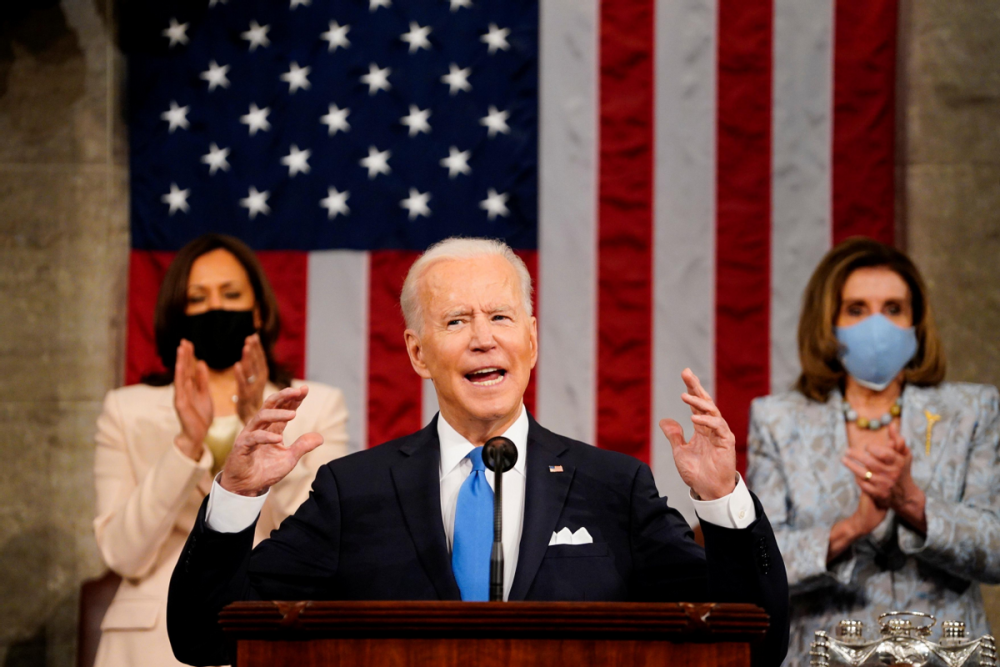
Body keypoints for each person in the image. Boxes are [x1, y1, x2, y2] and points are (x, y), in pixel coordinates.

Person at [167, 237, 790, 666]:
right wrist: (236, 497)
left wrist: (722, 500)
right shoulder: (353, 493)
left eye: (501, 317)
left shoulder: (614, 488)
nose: (484, 340)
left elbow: (753, 641)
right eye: (457, 321)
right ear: (418, 353)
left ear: (533, 339)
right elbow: (202, 636)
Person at [93, 234, 349, 667]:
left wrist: (263, 426)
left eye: (231, 294)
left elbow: (326, 539)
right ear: (178, 313)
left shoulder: (317, 405)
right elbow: (122, 554)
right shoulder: (125, 409)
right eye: (198, 298)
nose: (216, 308)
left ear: (259, 309)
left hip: (273, 629)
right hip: (149, 645)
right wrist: (185, 446)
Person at [746, 237, 1000, 665]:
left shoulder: (972, 411)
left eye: (893, 309)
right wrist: (851, 528)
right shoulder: (778, 419)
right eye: (857, 309)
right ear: (828, 322)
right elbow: (761, 569)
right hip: (824, 656)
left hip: (946, 655)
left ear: (917, 323)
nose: (876, 327)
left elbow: (995, 551)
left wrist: (915, 505)